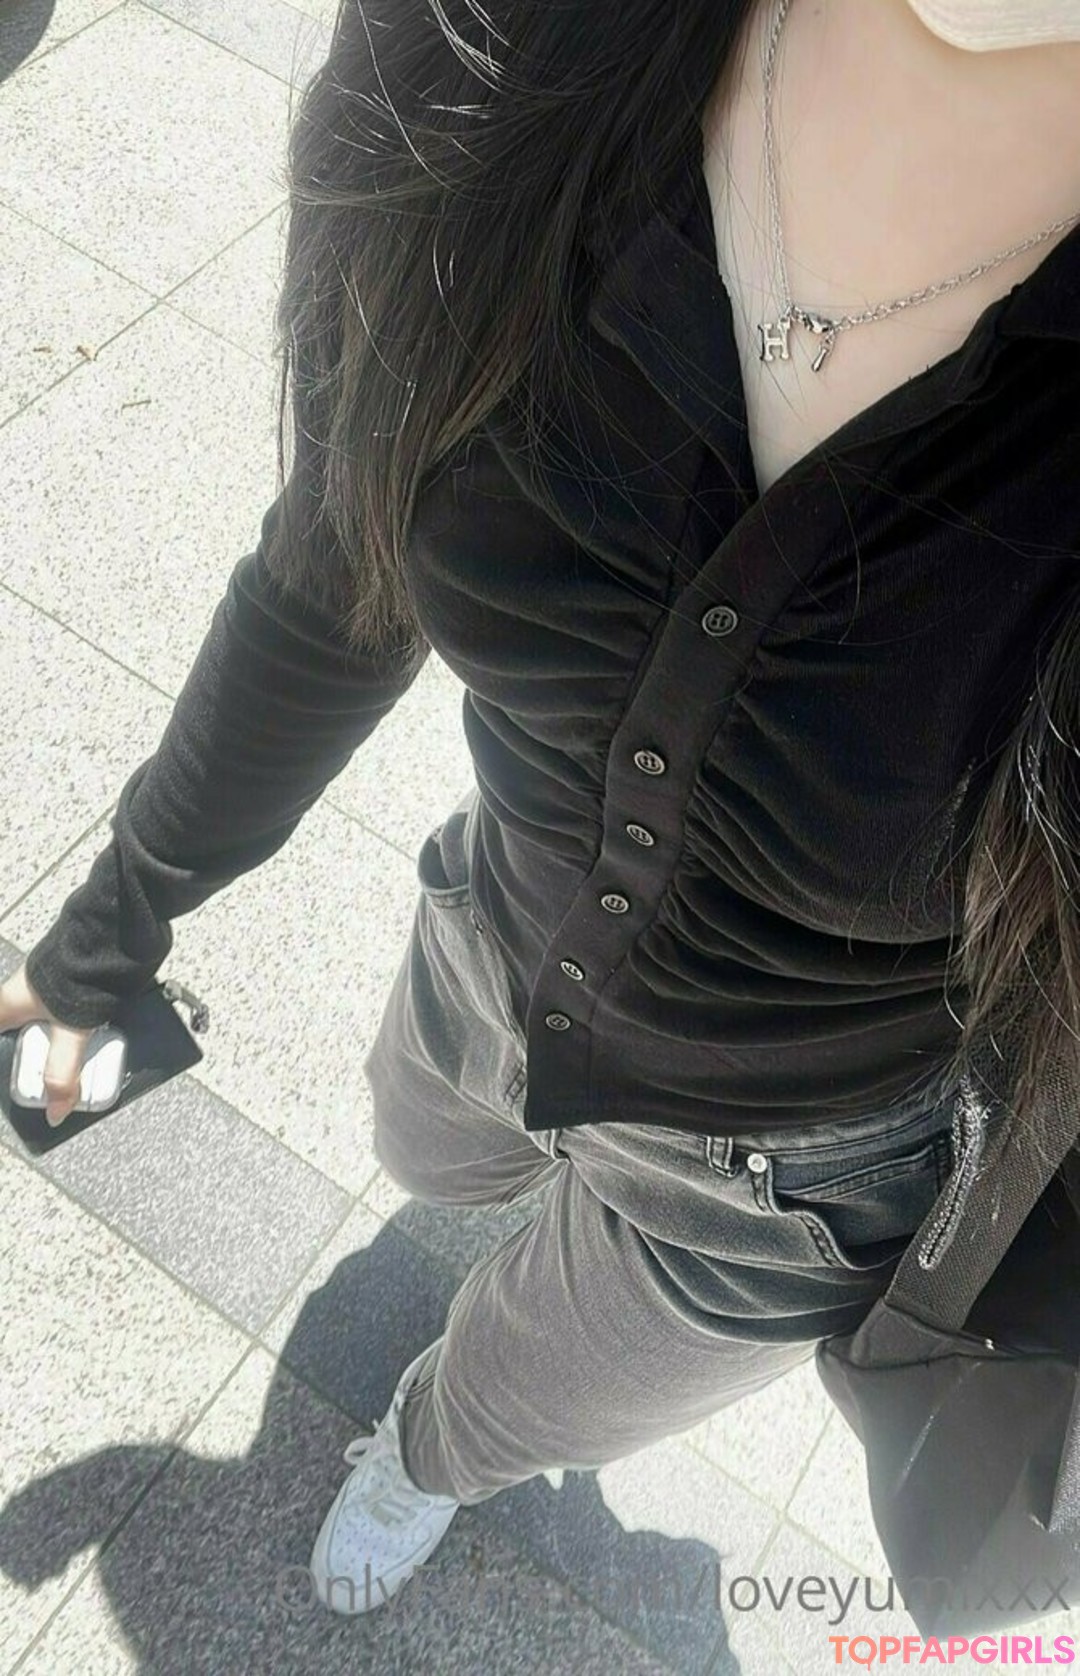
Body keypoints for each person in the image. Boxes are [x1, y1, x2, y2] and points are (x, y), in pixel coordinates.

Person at [3, 0, 1080, 1621]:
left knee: (509, 1401)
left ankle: (422, 1459)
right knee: (423, 1154)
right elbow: (335, 573)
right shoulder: (499, 45)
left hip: (791, 1185)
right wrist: (106, 936)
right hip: (488, 941)